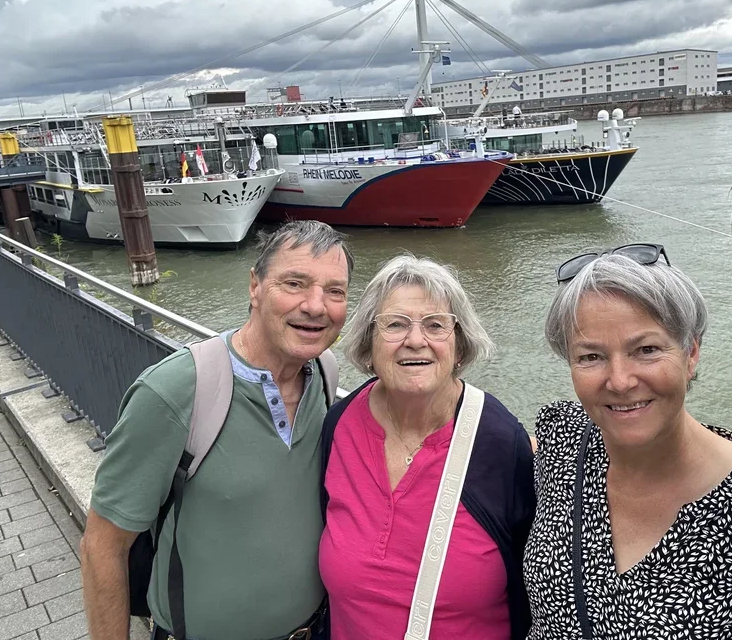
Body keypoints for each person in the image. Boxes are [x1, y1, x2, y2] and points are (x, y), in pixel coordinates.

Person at [80, 220, 353, 640]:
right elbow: (102, 546)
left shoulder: (323, 372)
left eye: (335, 290)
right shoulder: (176, 390)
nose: (316, 306)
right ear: (255, 287)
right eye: (295, 283)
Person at [525, 245, 732, 639]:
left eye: (647, 350)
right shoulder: (563, 440)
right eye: (590, 357)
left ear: (690, 354)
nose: (620, 381)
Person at [319, 254, 535, 639]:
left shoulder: (499, 442)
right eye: (395, 325)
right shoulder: (339, 427)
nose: (415, 340)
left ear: (459, 342)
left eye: (435, 325)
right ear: (369, 341)